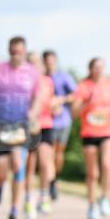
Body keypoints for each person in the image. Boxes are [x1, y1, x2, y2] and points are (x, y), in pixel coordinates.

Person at [0, 36, 42, 219]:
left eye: (20, 52)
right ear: (9, 51)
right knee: (1, 172)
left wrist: (33, 112)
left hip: (20, 126)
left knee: (17, 165)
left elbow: (38, 98)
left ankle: (14, 211)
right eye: (13, 52)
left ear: (25, 52)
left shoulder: (33, 73)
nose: (16, 55)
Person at [72, 58, 110, 219]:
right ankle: (92, 205)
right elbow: (74, 113)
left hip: (108, 130)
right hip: (90, 132)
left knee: (107, 164)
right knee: (92, 173)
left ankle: (105, 197)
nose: (99, 70)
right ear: (90, 69)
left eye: (102, 67)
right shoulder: (83, 86)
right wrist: (86, 103)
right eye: (96, 67)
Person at [24, 52, 57, 218]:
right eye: (31, 62)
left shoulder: (48, 81)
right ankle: (28, 199)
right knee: (30, 165)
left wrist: (55, 108)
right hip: (29, 127)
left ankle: (44, 195)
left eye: (37, 62)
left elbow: (51, 103)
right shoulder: (22, 81)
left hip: (46, 125)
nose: (34, 66)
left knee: (45, 162)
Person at [43, 50, 77, 201]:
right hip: (46, 122)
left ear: (55, 62)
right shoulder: (41, 79)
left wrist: (60, 101)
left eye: (52, 62)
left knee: (58, 153)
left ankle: (54, 179)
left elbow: (75, 95)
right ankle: (49, 182)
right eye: (47, 62)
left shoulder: (64, 77)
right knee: (47, 153)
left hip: (63, 121)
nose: (50, 64)